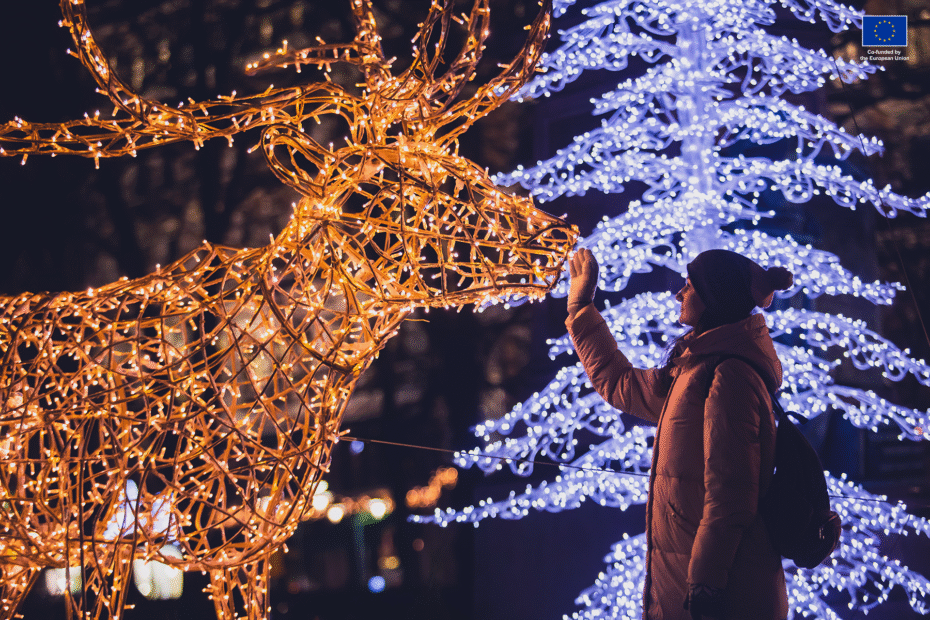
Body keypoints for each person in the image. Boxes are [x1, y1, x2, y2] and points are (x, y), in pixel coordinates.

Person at [566, 248, 794, 620]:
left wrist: (705, 587)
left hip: (720, 598)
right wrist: (581, 307)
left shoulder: (730, 376)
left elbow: (731, 492)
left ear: (714, 297)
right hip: (688, 588)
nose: (679, 294)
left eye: (689, 286)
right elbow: (621, 383)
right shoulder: (694, 371)